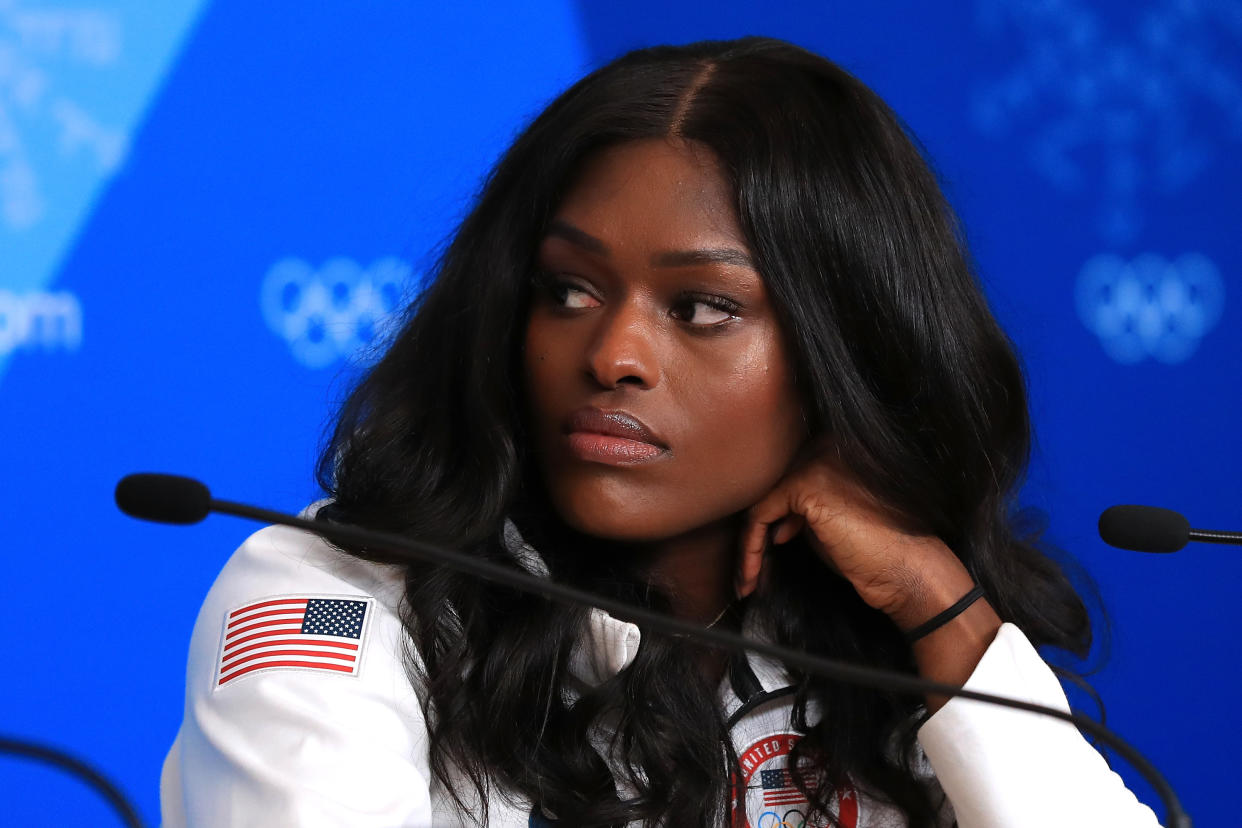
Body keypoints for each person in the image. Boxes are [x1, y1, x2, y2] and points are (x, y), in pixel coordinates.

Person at [161, 38, 1163, 827]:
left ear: (845, 349)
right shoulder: (335, 599)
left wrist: (943, 610)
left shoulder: (871, 629)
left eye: (700, 309)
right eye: (567, 290)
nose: (613, 354)